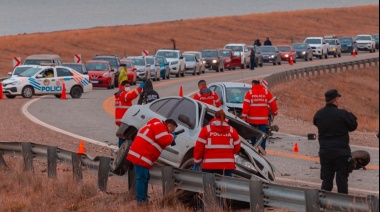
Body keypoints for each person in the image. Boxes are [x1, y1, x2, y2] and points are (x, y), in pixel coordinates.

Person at [313, 89, 358, 194]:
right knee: (342, 180)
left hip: (325, 152)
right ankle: (342, 206)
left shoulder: (319, 114)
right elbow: (353, 126)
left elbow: (315, 122)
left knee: (327, 180)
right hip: (341, 153)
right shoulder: (342, 114)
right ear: (336, 100)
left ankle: (323, 205)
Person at [126, 118, 178, 204]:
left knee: (145, 177)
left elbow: (159, 141)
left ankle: (143, 198)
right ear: (169, 125)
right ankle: (141, 201)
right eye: (172, 129)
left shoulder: (155, 125)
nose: (171, 132)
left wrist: (170, 137)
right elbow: (164, 140)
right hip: (141, 156)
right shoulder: (160, 126)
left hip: (141, 155)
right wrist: (172, 136)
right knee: (142, 178)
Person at [193, 109, 241, 176]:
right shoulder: (232, 130)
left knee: (209, 186)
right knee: (225, 186)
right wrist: (227, 153)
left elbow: (199, 148)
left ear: (214, 117)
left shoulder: (206, 130)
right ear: (225, 119)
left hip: (209, 165)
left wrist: (197, 162)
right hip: (227, 165)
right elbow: (237, 148)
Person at [242, 79, 278, 150]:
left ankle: (253, 147)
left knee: (252, 133)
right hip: (263, 120)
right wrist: (275, 112)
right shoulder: (266, 92)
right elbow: (273, 104)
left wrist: (244, 118)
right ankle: (262, 148)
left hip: (252, 119)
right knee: (262, 134)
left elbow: (245, 107)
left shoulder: (249, 93)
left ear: (253, 84)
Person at [114, 80, 145, 147]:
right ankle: (121, 149)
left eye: (129, 86)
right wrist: (139, 88)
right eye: (126, 86)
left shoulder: (119, 94)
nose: (128, 88)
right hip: (124, 119)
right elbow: (131, 96)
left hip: (120, 119)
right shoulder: (123, 94)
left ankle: (121, 149)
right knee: (124, 136)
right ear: (122, 86)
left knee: (122, 135)